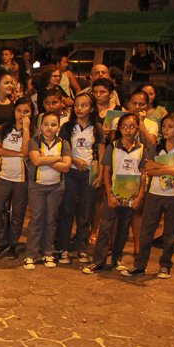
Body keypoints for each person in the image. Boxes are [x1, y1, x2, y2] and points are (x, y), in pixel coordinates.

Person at [125, 113, 174, 278]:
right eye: (164, 126)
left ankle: (165, 265)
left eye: (171, 127)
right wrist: (170, 169)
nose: (166, 130)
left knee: (170, 233)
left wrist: (158, 166)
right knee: (146, 231)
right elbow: (148, 169)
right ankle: (140, 265)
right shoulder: (156, 145)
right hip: (154, 193)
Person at [83, 114, 146, 274]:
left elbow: (144, 173)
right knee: (106, 227)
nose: (128, 130)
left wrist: (140, 195)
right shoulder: (113, 147)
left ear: (137, 129)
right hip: (114, 194)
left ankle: (117, 259)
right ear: (119, 128)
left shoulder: (141, 149)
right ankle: (98, 261)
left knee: (124, 228)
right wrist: (109, 194)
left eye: (132, 127)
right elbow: (106, 171)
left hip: (131, 195)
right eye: (124, 127)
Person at [56, 94, 102, 264]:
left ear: (91, 108)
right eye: (76, 105)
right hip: (71, 172)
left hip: (89, 174)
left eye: (84, 105)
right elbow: (61, 149)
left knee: (86, 212)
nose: (79, 109)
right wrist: (74, 161)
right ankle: (63, 248)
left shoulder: (97, 128)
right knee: (66, 210)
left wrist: (100, 176)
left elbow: (101, 152)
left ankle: (82, 248)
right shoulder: (67, 127)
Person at [23, 113, 72, 269]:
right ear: (41, 126)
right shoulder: (34, 141)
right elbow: (36, 160)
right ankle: (30, 255)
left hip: (56, 187)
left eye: (53, 125)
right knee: (36, 220)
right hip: (37, 187)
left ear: (58, 127)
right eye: (46, 124)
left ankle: (47, 253)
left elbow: (66, 167)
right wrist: (57, 158)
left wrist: (46, 159)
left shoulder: (64, 143)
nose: (49, 128)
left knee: (50, 221)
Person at [0, 98, 33, 259]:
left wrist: (26, 129)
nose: (22, 115)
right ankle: (2, 241)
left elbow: (27, 151)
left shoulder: (34, 131)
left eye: (26, 111)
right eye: (19, 111)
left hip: (23, 178)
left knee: (18, 213)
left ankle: (12, 244)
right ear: (14, 111)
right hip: (5, 175)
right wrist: (17, 154)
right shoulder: (5, 128)